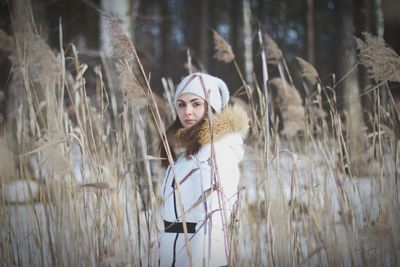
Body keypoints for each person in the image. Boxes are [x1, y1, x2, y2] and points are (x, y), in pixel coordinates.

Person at [159, 72, 249, 267]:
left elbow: (214, 218)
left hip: (201, 259)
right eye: (181, 104)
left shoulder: (217, 152)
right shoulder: (186, 153)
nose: (187, 111)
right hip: (177, 256)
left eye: (196, 104)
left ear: (212, 106)